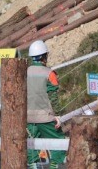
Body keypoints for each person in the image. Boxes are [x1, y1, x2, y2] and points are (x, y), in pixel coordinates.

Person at [26, 40, 65, 169]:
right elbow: (53, 96)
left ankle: (32, 166)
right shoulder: (49, 73)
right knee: (59, 142)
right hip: (45, 117)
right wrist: (57, 115)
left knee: (31, 145)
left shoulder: (23, 72)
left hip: (27, 117)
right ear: (44, 56)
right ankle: (54, 166)